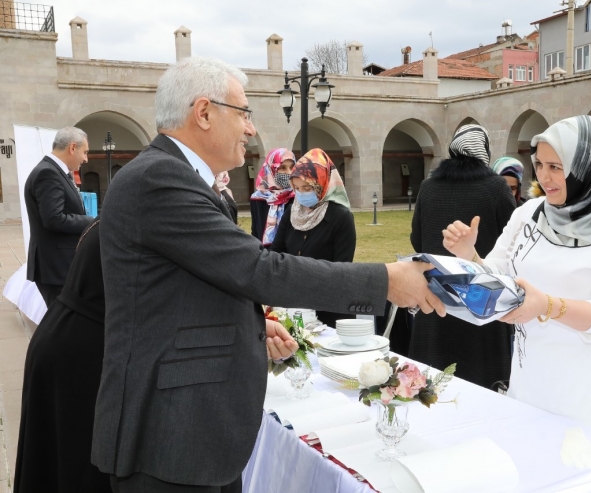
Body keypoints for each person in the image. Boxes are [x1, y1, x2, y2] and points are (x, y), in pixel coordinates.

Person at [93, 56, 444, 493]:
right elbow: (258, 268)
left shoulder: (176, 177)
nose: (251, 129)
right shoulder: (159, 178)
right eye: (243, 113)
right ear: (203, 113)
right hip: (170, 436)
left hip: (195, 434)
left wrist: (251, 324)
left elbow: (187, 286)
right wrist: (388, 280)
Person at [442, 115, 591, 453]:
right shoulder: (529, 213)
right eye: (540, 164)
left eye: (557, 167)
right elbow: (500, 276)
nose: (544, 177)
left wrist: (546, 306)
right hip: (535, 385)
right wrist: (469, 255)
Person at [408, 124, 516, 388]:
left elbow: (417, 240)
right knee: (483, 383)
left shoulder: (428, 187)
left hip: (435, 298)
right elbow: (514, 242)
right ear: (485, 151)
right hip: (483, 301)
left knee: (431, 384)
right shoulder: (496, 187)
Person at [14, 220, 111, 493]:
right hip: (76, 352)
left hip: (67, 336)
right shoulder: (47, 174)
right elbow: (53, 217)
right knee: (68, 460)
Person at [270, 148, 357, 328]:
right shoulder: (291, 212)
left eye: (307, 188)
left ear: (322, 183)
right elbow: (276, 252)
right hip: (294, 304)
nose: (301, 194)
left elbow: (342, 267)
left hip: (330, 306)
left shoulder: (340, 217)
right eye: (297, 188)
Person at [24, 126, 95, 306]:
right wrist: (92, 222)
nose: (86, 159)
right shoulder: (48, 173)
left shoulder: (54, 171)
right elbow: (54, 219)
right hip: (56, 267)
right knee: (60, 327)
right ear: (72, 148)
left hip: (59, 266)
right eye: (85, 152)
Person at [249, 148, 296, 245]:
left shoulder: (297, 197)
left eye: (292, 167)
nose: (289, 172)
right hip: (264, 254)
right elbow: (256, 231)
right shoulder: (258, 198)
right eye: (282, 168)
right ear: (270, 169)